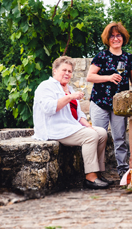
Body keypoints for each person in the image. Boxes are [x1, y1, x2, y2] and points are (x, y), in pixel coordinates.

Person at [33, 56, 110, 189]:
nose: (67, 73)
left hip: (70, 127)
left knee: (101, 133)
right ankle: (90, 178)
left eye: (70, 71)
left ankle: (98, 173)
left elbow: (79, 115)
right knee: (90, 136)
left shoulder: (69, 89)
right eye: (64, 70)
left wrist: (89, 126)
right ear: (55, 70)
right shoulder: (46, 86)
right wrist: (69, 97)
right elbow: (49, 108)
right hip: (54, 128)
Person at [86, 22, 132, 179]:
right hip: (100, 103)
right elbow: (90, 76)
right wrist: (108, 77)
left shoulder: (128, 57)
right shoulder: (101, 56)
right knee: (98, 137)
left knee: (120, 139)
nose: (116, 38)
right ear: (107, 39)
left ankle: (123, 172)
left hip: (119, 105)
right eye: (112, 36)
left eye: (119, 35)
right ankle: (97, 173)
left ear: (123, 37)